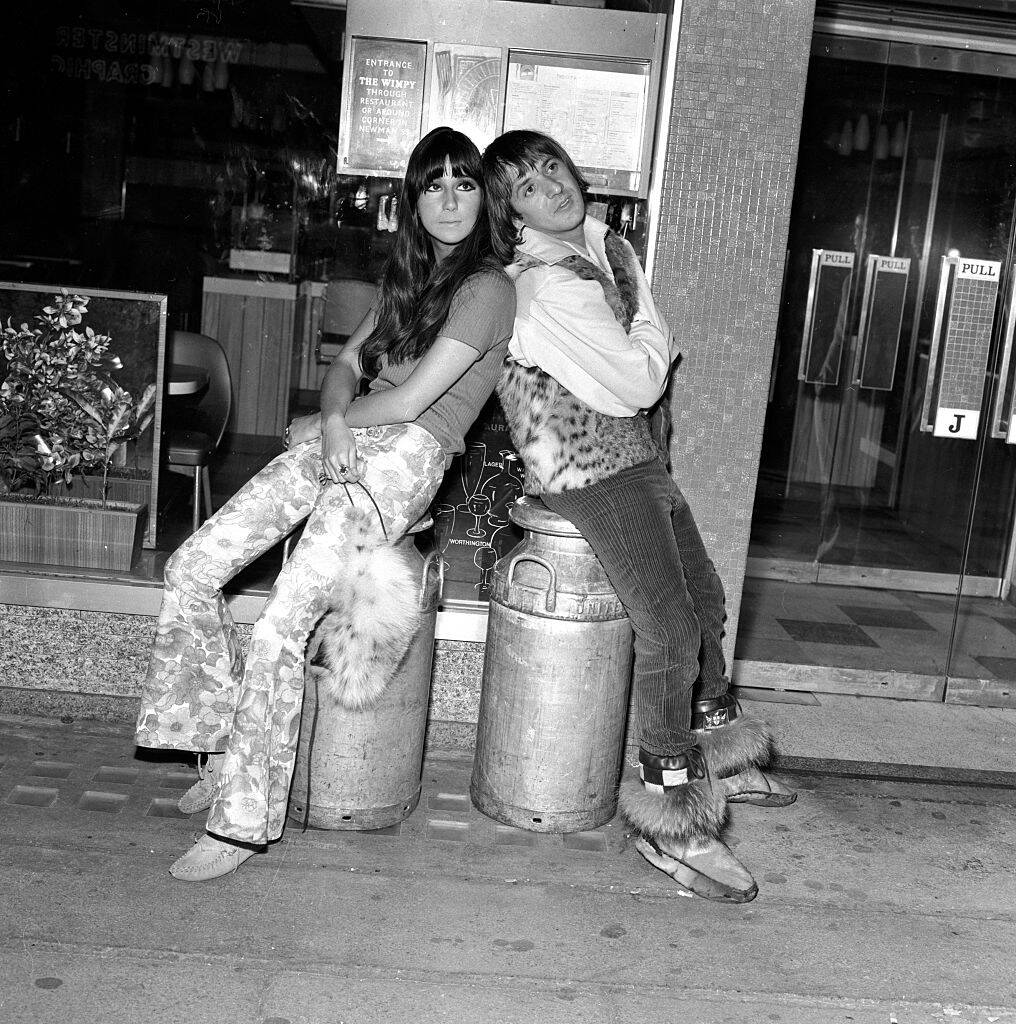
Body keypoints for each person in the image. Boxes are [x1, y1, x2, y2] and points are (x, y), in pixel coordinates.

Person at [136, 127, 515, 881]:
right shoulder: (408, 282)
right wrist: (333, 417)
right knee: (191, 568)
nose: (448, 200)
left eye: (464, 183)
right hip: (351, 434)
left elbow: (410, 401)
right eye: (433, 184)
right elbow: (344, 362)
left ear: (483, 198)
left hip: (406, 458)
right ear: (412, 199)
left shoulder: (488, 289)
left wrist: (332, 422)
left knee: (280, 625)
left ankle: (242, 822)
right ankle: (218, 746)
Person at [482, 129, 794, 904]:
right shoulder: (546, 286)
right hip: (589, 471)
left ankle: (719, 752)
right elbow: (642, 379)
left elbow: (637, 375)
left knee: (706, 601)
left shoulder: (602, 244)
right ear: (513, 213)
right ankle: (672, 812)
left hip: (635, 457)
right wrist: (652, 330)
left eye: (550, 167)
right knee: (669, 629)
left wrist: (643, 333)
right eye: (527, 187)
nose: (551, 186)